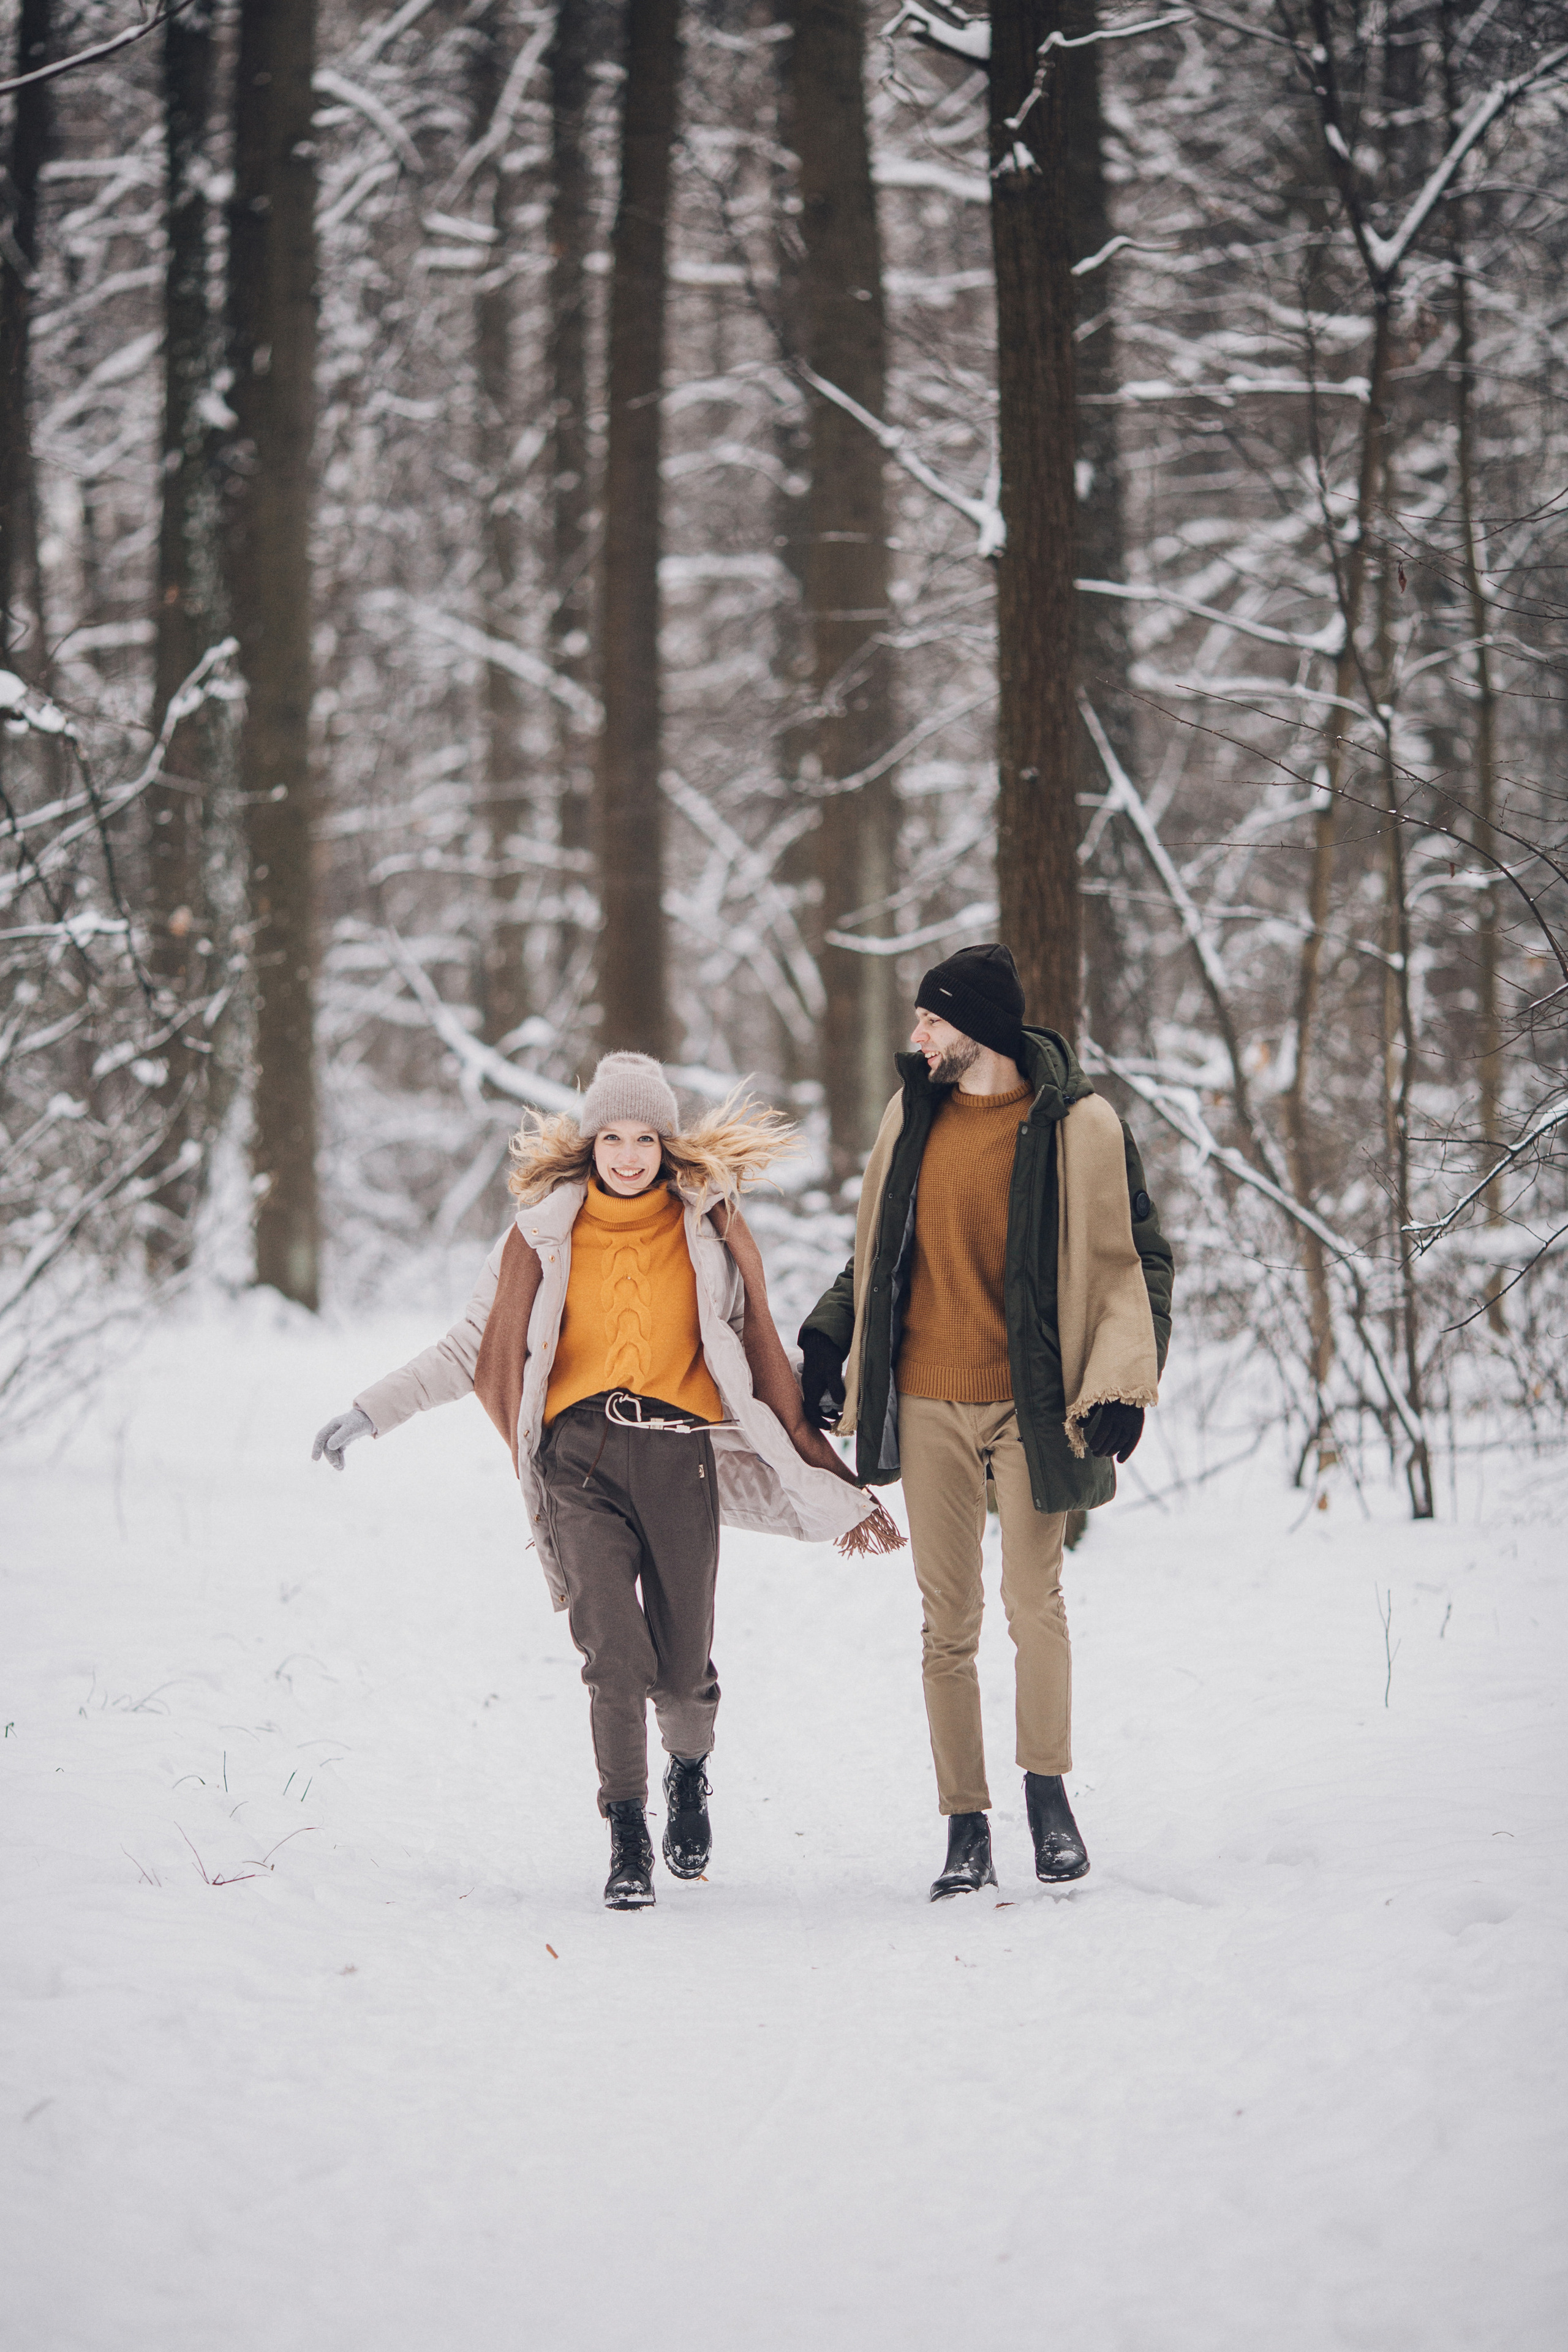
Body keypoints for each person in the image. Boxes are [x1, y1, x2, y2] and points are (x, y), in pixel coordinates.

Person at [313, 1052, 899, 1912]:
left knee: (683, 1666)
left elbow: (752, 1345)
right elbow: (466, 1351)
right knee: (613, 1661)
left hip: (678, 1458)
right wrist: (373, 1411)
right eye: (612, 1138)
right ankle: (627, 1838)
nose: (628, 1155)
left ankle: (689, 1771)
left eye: (646, 1138)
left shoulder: (709, 1228)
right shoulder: (540, 1234)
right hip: (575, 1464)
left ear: (667, 1144)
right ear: (589, 1142)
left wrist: (812, 1397)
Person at [797, 945, 1174, 1901]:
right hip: (925, 1399)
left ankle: (1048, 1798)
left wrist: (1125, 1380)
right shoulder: (910, 1117)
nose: (915, 1036)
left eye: (931, 1020)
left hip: (1031, 1404)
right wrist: (826, 1343)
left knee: (1031, 1600)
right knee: (947, 1623)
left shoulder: (1079, 1128)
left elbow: (1138, 1259)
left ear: (978, 1029)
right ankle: (965, 1825)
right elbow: (872, 1258)